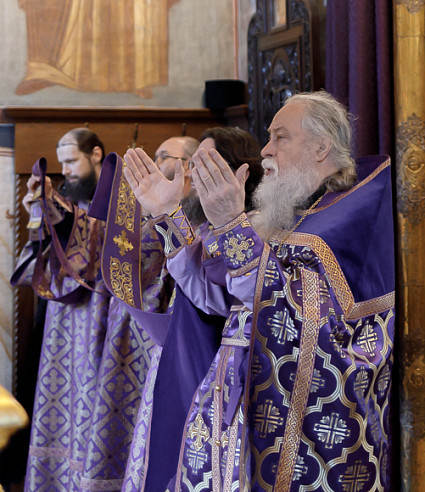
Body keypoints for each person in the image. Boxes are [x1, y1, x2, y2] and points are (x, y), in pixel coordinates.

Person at [124, 92, 395, 491]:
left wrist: (231, 225)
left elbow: (298, 311)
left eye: (280, 137)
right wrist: (168, 215)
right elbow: (212, 297)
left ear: (322, 146)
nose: (266, 149)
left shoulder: (349, 220)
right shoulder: (273, 216)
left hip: (294, 421)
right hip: (230, 408)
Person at [10, 130, 198, 491]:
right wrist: (47, 208)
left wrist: (55, 209)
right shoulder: (132, 206)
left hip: (150, 338)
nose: (155, 162)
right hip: (98, 328)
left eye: (164, 156)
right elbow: (91, 241)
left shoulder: (169, 211)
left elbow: (108, 244)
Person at [121, 127, 263, 491]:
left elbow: (232, 295)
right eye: (193, 164)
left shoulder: (256, 226)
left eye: (203, 164)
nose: (193, 174)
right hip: (192, 365)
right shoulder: (208, 228)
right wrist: (166, 213)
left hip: (232, 377)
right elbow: (200, 287)